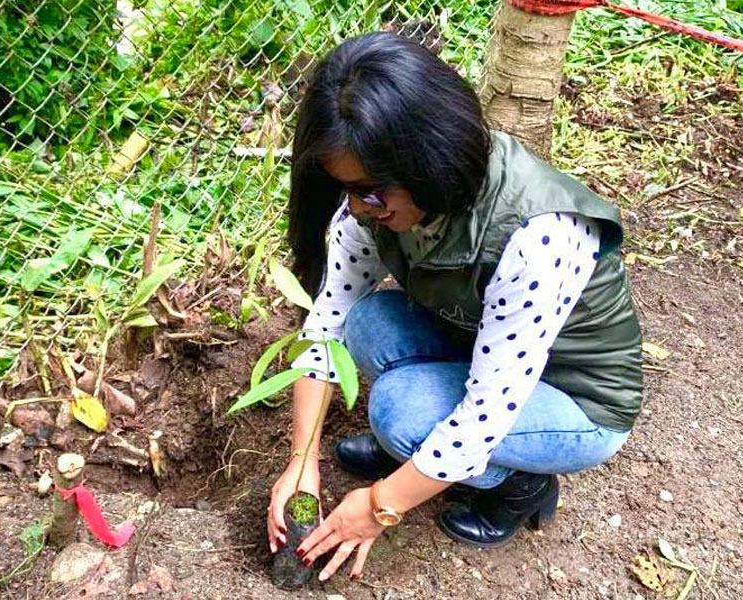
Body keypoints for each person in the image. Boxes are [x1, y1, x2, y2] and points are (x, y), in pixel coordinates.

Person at [266, 31, 643, 583]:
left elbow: (485, 414)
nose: (354, 207)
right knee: (367, 323)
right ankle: (418, 451)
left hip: (578, 398)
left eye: (369, 191)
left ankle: (519, 484)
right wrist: (301, 464)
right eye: (343, 189)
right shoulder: (373, 210)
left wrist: (376, 509)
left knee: (401, 414)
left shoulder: (537, 236)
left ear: (428, 165)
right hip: (486, 345)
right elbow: (329, 321)